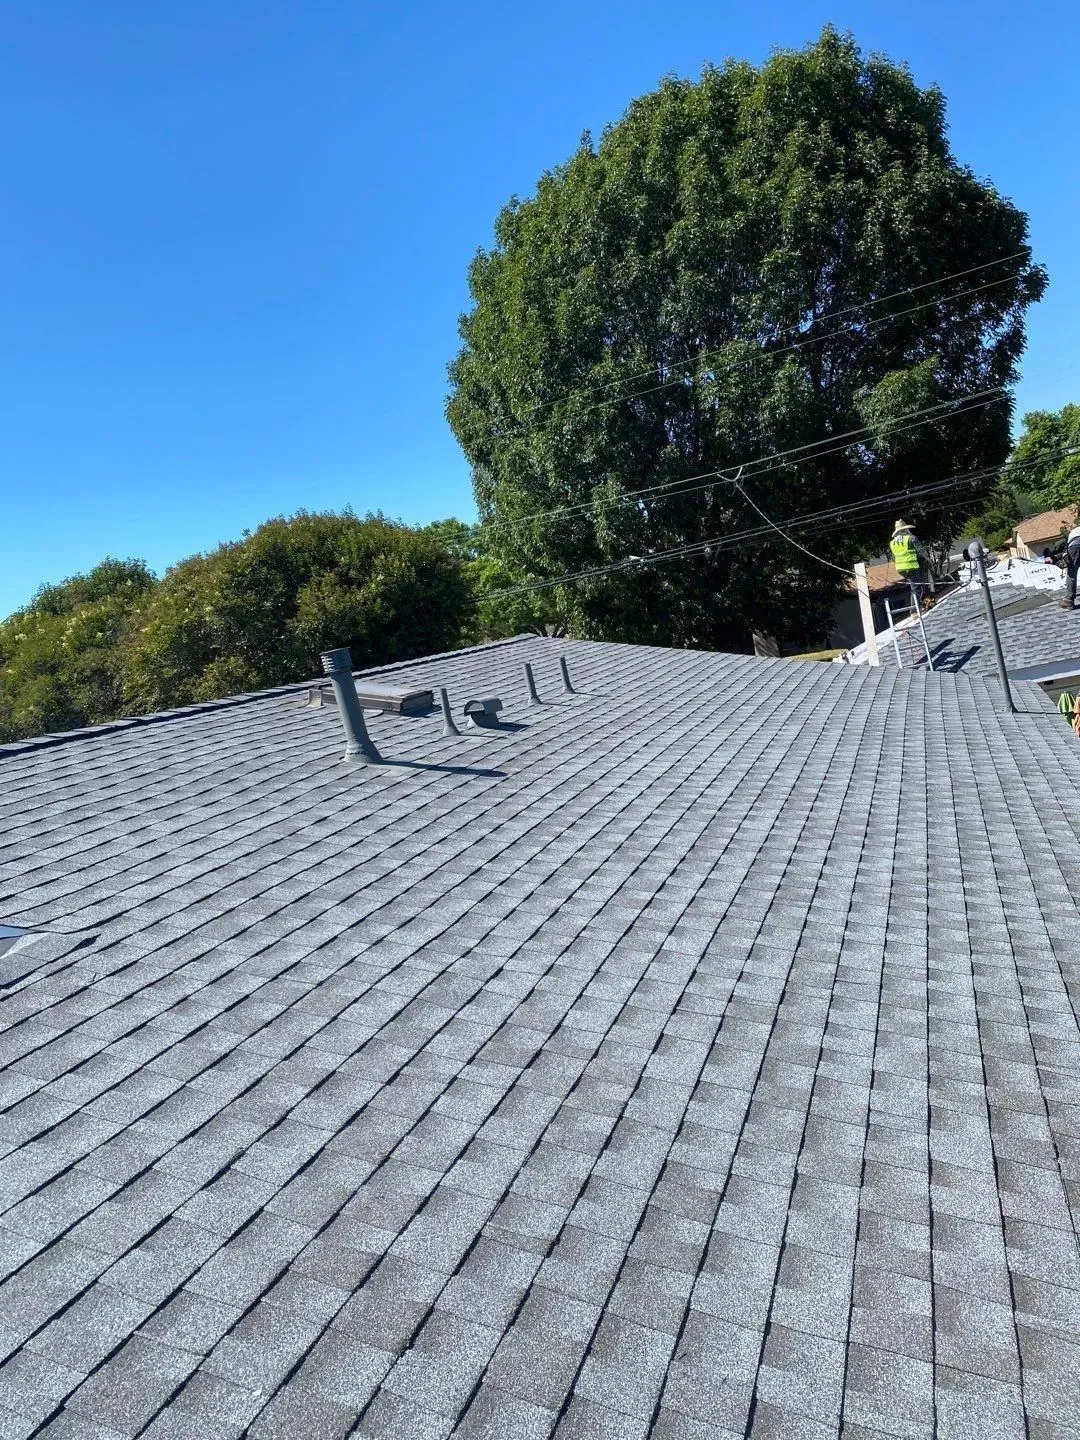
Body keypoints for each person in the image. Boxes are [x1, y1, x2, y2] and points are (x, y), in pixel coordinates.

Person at [889, 519, 923, 603]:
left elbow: (893, 558)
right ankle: (914, 611)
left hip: (901, 569)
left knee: (914, 586)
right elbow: (922, 551)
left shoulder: (892, 543)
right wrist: (929, 560)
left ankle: (918, 605)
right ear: (906, 529)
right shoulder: (911, 538)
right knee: (916, 587)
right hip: (911, 567)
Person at [1061, 522, 1080, 610]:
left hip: (1074, 546)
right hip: (1075, 545)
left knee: (1072, 572)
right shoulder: (1075, 531)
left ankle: (1068, 600)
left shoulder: (1074, 531)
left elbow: (1066, 550)